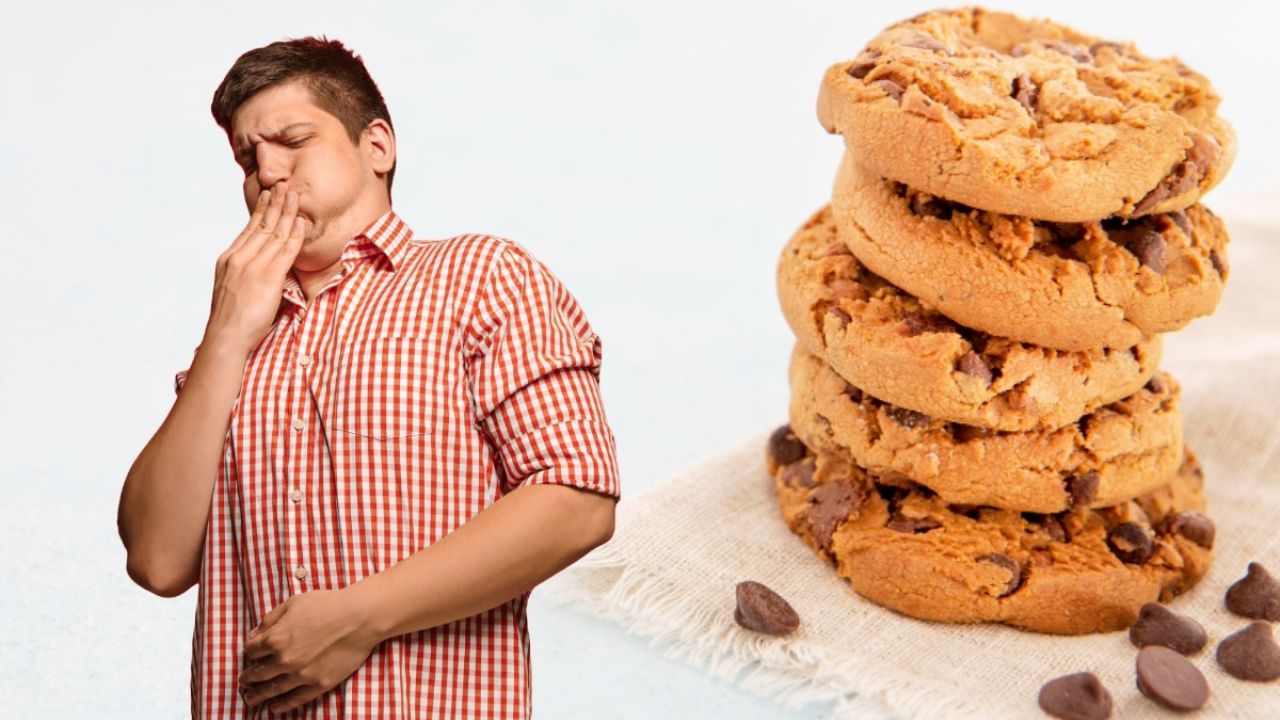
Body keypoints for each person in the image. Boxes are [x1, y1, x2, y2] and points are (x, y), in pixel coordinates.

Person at [116, 36, 620, 719]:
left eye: (291, 140)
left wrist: (359, 616)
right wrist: (228, 332)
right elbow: (158, 559)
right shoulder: (235, 346)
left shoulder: (481, 277)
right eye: (246, 157)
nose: (266, 170)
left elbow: (576, 498)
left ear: (376, 146)